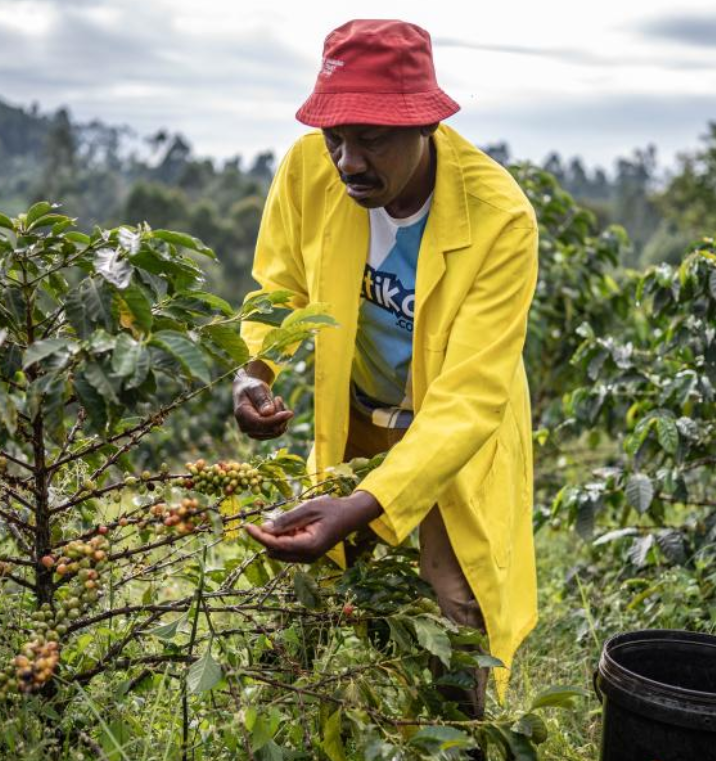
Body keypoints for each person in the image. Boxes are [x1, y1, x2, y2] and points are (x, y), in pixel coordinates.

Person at [236, 19, 538, 719]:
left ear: (425, 124)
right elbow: (278, 287)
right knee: (312, 596)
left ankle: (456, 736)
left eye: (370, 138)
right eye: (334, 138)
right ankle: (280, 721)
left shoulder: (500, 220)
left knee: (457, 603)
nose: (347, 162)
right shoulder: (308, 170)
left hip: (451, 438)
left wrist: (359, 507)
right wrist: (254, 371)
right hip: (357, 417)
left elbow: (467, 401)